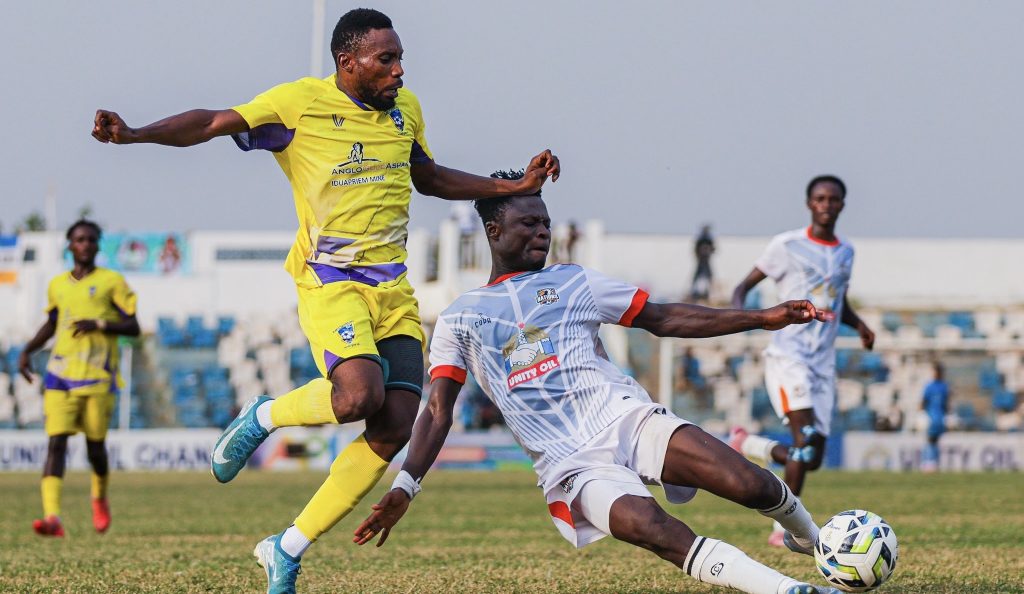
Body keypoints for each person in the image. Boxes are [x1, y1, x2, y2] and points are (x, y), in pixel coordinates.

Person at [92, 9, 558, 593]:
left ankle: (286, 547)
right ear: (348, 61)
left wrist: (514, 187)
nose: (399, 70)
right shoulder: (300, 104)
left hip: (393, 288)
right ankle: (264, 416)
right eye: (386, 59)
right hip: (331, 281)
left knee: (395, 425)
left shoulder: (405, 110)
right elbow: (210, 121)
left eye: (400, 58)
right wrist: (134, 133)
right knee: (359, 396)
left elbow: (429, 177)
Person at [354, 180, 842, 594]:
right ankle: (790, 590)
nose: (543, 231)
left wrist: (762, 317)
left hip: (627, 419)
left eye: (546, 222)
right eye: (529, 223)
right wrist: (406, 485)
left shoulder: (575, 281)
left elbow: (662, 318)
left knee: (752, 484)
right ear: (494, 231)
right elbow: (438, 409)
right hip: (570, 463)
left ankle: (812, 539)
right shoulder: (459, 317)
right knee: (656, 530)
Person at [729, 175, 875, 547]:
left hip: (823, 365)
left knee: (812, 458)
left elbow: (837, 301)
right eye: (820, 198)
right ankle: (783, 531)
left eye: (833, 199)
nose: (826, 204)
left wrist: (860, 325)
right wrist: (739, 316)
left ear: (842, 205)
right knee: (804, 442)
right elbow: (743, 286)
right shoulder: (786, 245)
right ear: (810, 203)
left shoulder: (846, 252)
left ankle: (749, 444)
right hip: (788, 357)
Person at [18, 219, 140, 537]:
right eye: (79, 239)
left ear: (98, 245)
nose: (85, 244)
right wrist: (27, 350)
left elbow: (133, 326)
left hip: (98, 377)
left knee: (95, 449)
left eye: (90, 239)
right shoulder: (57, 284)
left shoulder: (112, 282)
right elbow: (52, 323)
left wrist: (98, 324)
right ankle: (52, 517)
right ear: (70, 245)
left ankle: (99, 498)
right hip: (59, 375)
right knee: (55, 443)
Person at [921, 362, 949, 472]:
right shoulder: (929, 386)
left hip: (940, 417)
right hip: (931, 416)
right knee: (930, 439)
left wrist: (947, 414)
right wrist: (923, 414)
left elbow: (946, 403)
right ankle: (929, 462)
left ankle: (933, 463)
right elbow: (923, 402)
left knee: (935, 441)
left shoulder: (944, 386)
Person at [690, 224, 715, 302]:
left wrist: (708, 252)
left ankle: (706, 293)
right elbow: (696, 249)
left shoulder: (707, 239)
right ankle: (695, 293)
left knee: (708, 276)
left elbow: (713, 249)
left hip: (705, 260)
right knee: (698, 277)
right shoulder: (702, 238)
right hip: (701, 260)